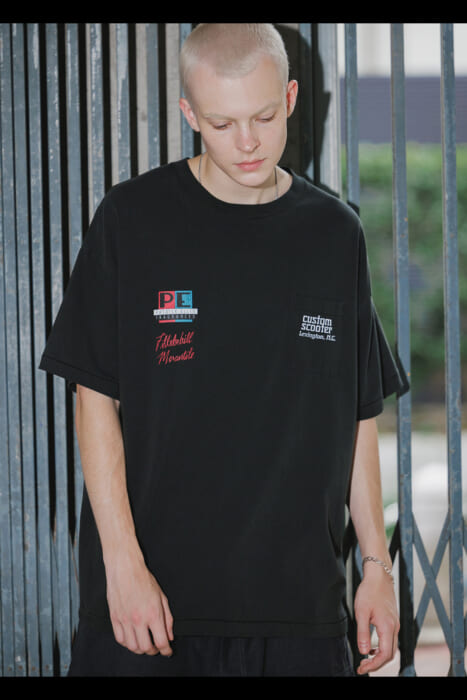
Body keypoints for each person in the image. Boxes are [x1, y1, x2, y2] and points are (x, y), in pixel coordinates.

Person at [39, 23, 409, 677]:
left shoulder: (333, 234)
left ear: (290, 98)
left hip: (299, 614)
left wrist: (375, 567)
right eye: (221, 123)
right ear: (190, 115)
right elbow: (93, 400)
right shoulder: (132, 218)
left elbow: (357, 415)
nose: (246, 142)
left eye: (263, 117)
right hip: (151, 611)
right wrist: (121, 568)